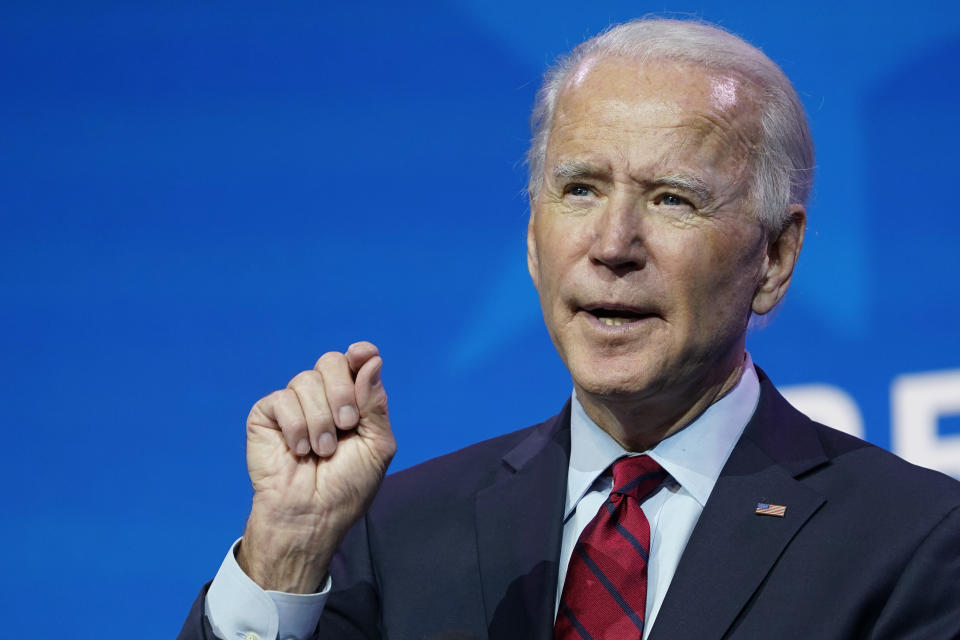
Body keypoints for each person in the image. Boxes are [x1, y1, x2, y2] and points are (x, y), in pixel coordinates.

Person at [179, 17, 960, 640]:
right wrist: (286, 552)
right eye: (580, 189)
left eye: (672, 199)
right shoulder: (395, 534)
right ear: (531, 236)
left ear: (777, 256)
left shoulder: (911, 544)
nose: (613, 245)